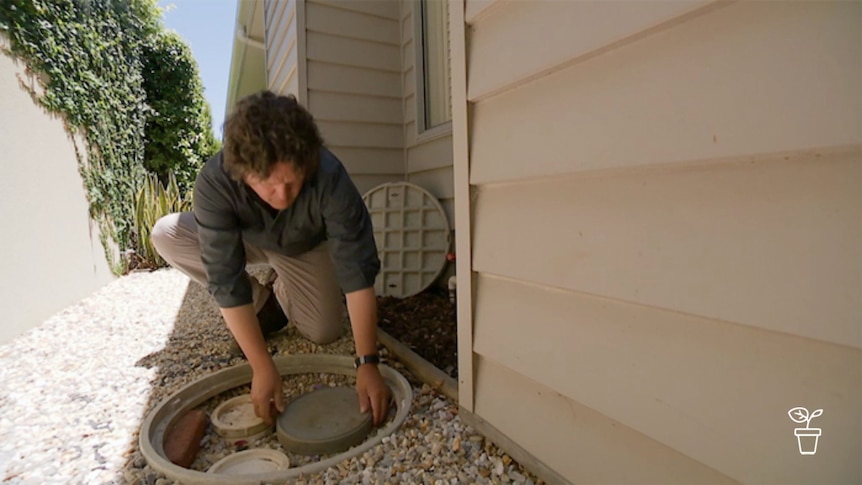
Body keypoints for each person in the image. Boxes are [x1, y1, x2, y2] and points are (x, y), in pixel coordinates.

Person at [151, 90, 391, 426]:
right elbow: (225, 278)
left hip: (303, 247)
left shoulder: (330, 175)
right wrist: (262, 367)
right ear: (243, 173)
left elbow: (357, 271)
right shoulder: (214, 181)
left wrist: (367, 362)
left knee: (324, 330)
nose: (283, 195)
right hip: (243, 240)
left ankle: (281, 296)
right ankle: (260, 302)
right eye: (269, 185)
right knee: (166, 233)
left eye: (292, 183)